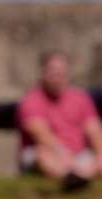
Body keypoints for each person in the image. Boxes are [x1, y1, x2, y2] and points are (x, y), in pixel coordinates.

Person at [17, 50, 101, 190]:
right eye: (53, 72)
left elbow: (94, 129)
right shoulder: (31, 100)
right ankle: (72, 177)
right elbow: (41, 134)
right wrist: (65, 156)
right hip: (47, 154)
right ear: (43, 73)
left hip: (78, 155)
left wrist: (99, 153)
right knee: (42, 155)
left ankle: (79, 177)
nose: (57, 77)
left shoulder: (80, 98)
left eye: (61, 72)